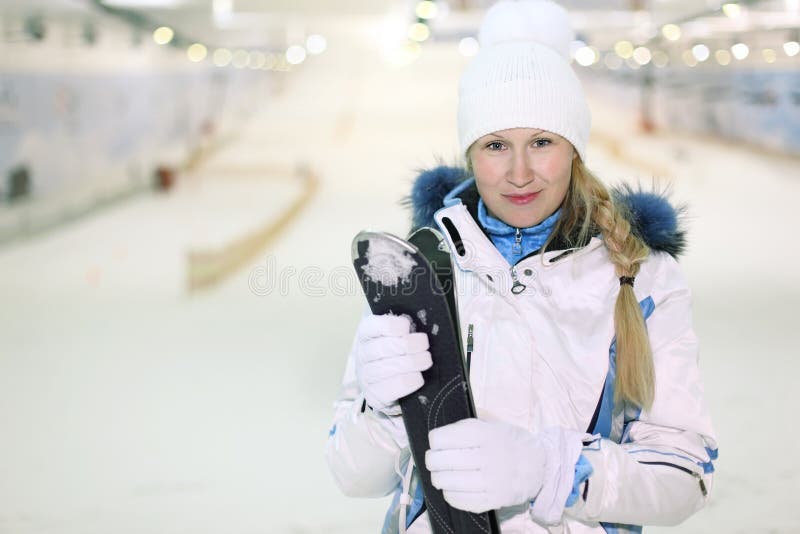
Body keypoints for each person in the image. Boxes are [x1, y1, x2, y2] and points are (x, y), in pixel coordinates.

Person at [325, 1, 717, 533]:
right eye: (495, 145)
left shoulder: (642, 276)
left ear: (574, 147)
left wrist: (554, 472)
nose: (519, 172)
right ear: (471, 153)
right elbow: (353, 476)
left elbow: (683, 475)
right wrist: (385, 410)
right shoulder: (422, 268)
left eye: (541, 142)